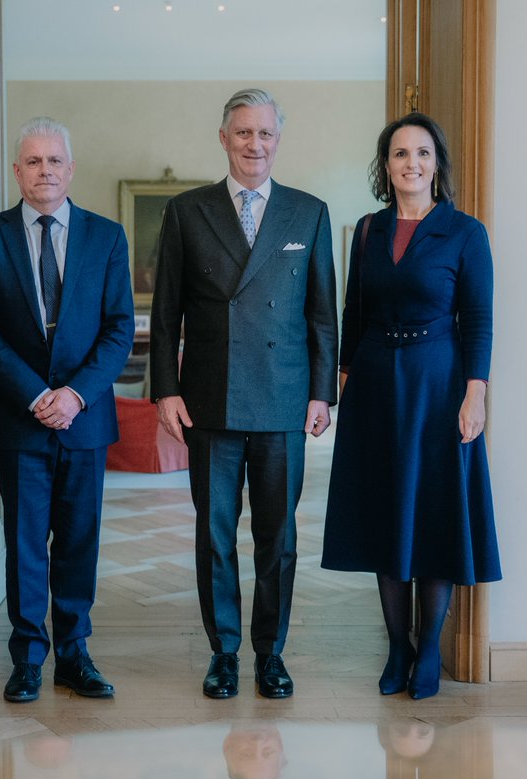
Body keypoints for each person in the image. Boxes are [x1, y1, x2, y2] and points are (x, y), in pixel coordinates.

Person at [151, 89, 338, 700]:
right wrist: (166, 392)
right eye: (243, 133)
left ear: (277, 140)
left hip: (285, 400)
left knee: (279, 538)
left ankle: (271, 653)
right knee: (215, 532)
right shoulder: (187, 210)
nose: (254, 144)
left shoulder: (308, 212)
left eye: (265, 134)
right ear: (224, 137)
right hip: (210, 399)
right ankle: (223, 652)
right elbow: (168, 310)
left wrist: (321, 392)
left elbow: (321, 315)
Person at [321, 112, 501, 701]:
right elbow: (354, 315)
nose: (412, 164)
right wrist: (343, 383)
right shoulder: (369, 231)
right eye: (400, 154)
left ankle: (428, 650)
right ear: (386, 166)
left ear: (437, 164)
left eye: (422, 153)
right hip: (374, 385)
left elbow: (477, 319)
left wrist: (476, 393)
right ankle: (397, 647)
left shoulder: (465, 232)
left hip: (439, 386)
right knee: (385, 514)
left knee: (434, 513)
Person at [0, 117, 134, 703]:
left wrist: (75, 394)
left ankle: (75, 654)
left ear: (71, 168)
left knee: (79, 539)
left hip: (85, 417)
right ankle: (29, 657)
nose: (44, 171)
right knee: (26, 541)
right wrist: (36, 395)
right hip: (19, 417)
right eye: (33, 162)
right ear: (17, 171)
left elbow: (118, 329)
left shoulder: (106, 237)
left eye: (54, 161)